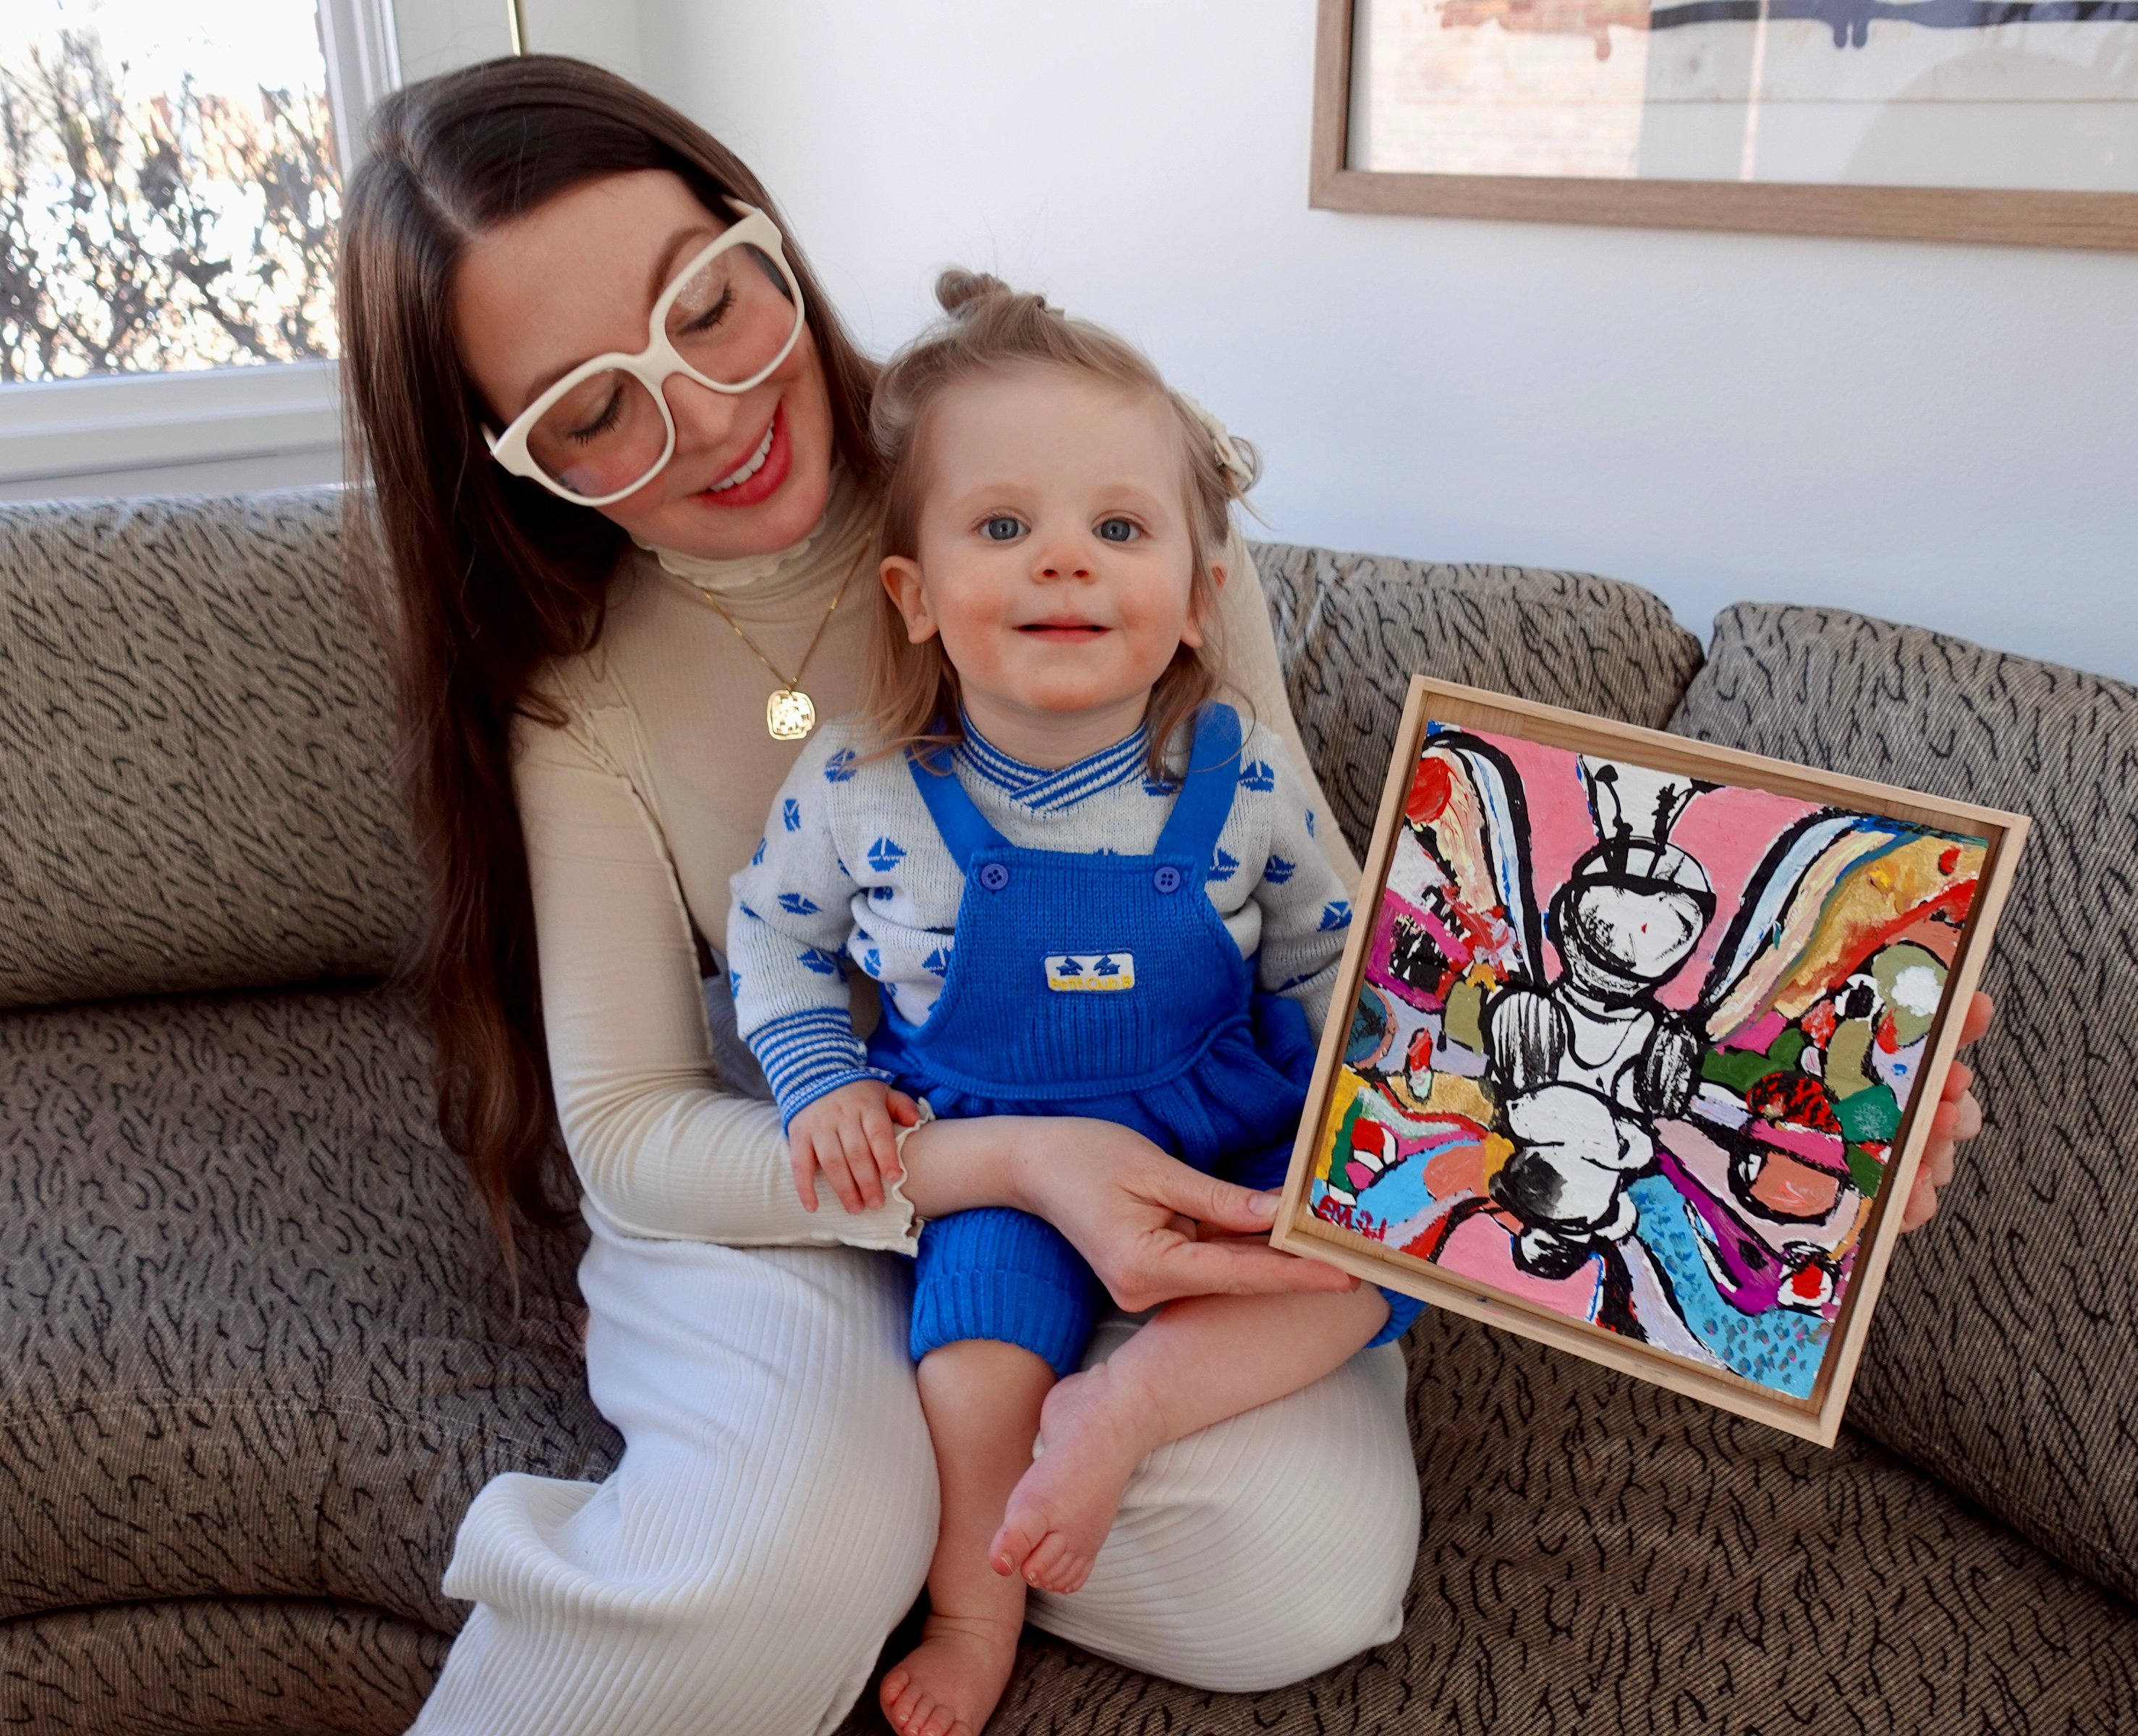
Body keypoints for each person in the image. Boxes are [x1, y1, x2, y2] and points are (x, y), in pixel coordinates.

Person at [334, 54, 1993, 1736]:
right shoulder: (579, 701)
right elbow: (630, 1127)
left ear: (763, 238)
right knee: (787, 1539)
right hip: (806, 1150)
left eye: (707, 302)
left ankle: (913, 1507)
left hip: (1180, 1111)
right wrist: (1013, 1165)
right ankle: (855, 1523)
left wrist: (1763, 1104)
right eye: (591, 407)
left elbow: (1357, 958)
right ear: (506, 457)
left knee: (1303, 1575)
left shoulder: (1062, 455)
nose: (700, 408)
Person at [726, 274, 1430, 1736]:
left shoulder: (1240, 770)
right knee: (975, 1356)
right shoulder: (863, 782)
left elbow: (1334, 952)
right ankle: (977, 1610)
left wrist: (1372, 1106)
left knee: (1360, 1267)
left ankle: (1128, 1408)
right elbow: (777, 947)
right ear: (914, 596)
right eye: (1003, 528)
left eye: (1118, 529)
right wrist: (823, 1085)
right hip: (995, 1141)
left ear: (1196, 598)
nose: (1064, 564)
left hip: (1220, 1121)